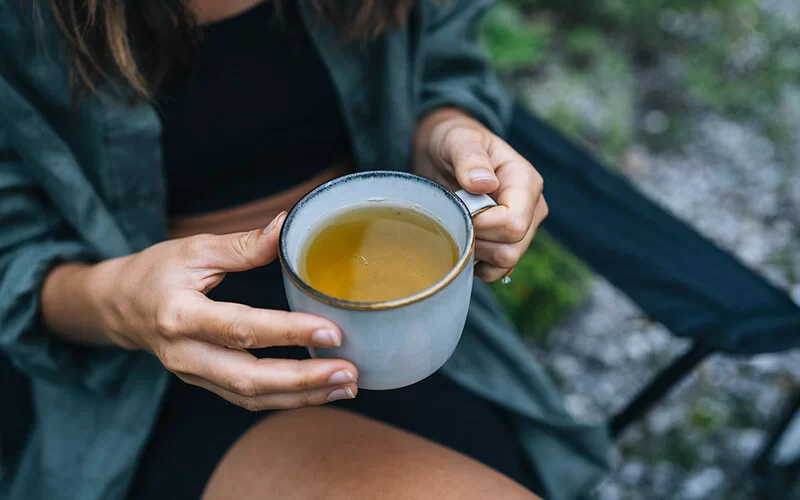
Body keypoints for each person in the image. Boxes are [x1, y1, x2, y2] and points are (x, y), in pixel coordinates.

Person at [0, 1, 611, 499]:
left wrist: (447, 136)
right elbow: (13, 252)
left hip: (406, 308)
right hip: (156, 357)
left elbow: (443, 60)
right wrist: (118, 307)